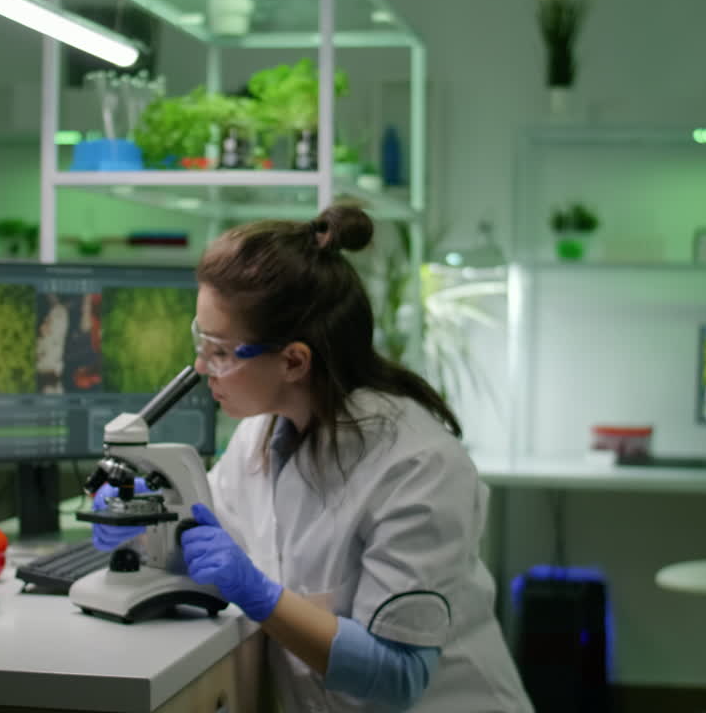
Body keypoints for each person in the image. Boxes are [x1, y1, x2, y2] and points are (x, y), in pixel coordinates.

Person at [93, 205, 534, 711]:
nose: (200, 366)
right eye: (201, 339)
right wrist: (145, 521)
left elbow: (399, 675)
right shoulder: (260, 435)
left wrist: (257, 592)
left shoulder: (417, 466)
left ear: (294, 360)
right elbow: (210, 535)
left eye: (218, 349)